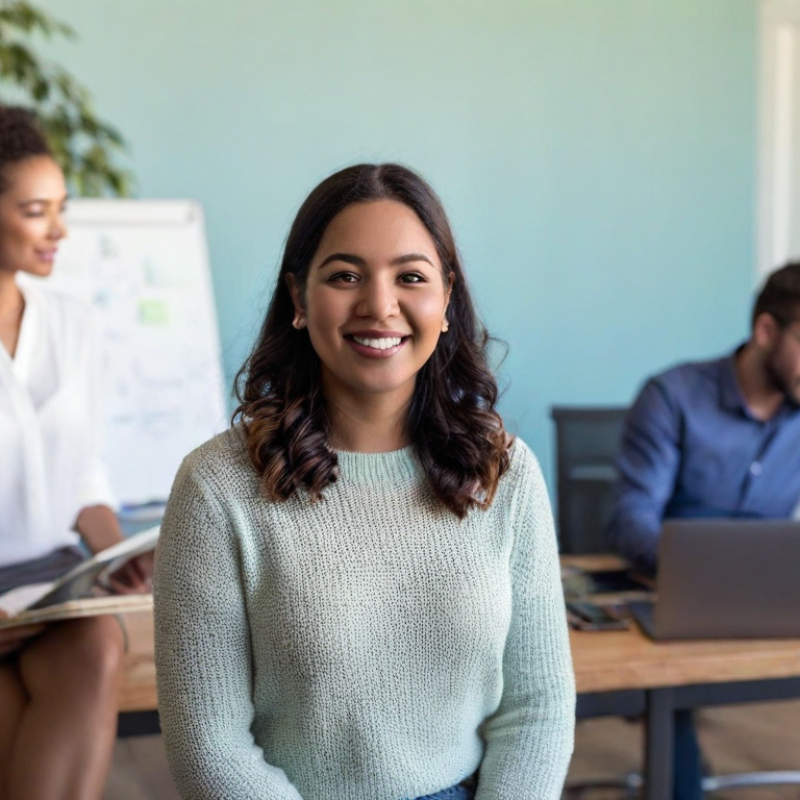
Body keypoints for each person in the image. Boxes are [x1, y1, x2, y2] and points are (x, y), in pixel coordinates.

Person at [154, 163, 576, 800]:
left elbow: (537, 708)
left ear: (446, 298)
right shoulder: (217, 488)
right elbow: (208, 747)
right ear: (298, 299)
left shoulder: (506, 472)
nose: (379, 306)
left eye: (411, 277)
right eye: (345, 276)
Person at [0, 105, 151, 800]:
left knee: (97, 647)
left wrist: (118, 558)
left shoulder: (70, 324)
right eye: (37, 211)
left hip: (54, 585)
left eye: (61, 209)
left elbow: (86, 473)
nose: (59, 231)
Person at [606, 261, 800, 800]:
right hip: (668, 595)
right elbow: (631, 519)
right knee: (673, 693)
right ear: (767, 331)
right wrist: (699, 571)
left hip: (771, 604)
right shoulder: (673, 396)